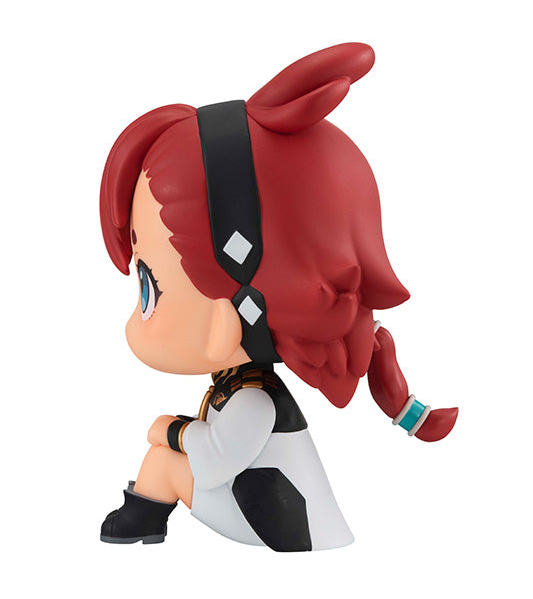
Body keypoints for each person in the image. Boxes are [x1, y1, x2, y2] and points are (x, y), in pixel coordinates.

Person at [98, 42, 458, 552]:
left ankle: (142, 519)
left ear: (225, 319)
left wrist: (171, 430)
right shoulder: (241, 388)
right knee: (163, 461)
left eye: (148, 288)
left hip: (276, 526)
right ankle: (143, 518)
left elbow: (211, 463)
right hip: (258, 506)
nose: (137, 317)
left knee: (163, 463)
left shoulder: (252, 401)